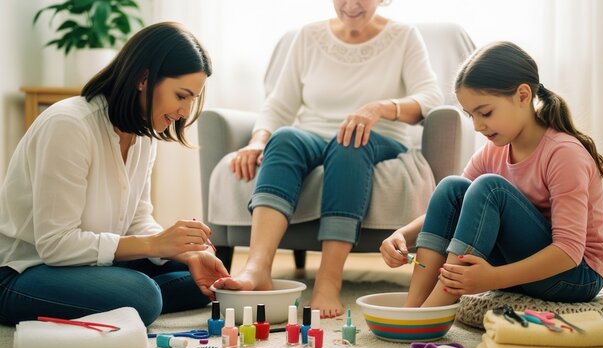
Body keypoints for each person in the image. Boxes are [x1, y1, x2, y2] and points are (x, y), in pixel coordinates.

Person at [213, 0, 443, 318]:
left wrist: (379, 108)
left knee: (348, 141)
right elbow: (280, 104)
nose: (350, 4)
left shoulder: (404, 36)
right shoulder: (309, 36)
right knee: (285, 138)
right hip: (314, 135)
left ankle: (328, 281)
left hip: (379, 139)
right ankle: (257, 268)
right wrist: (257, 139)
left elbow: (430, 97)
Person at [0, 22, 229, 326]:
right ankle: (129, 295)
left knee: (204, 277)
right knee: (144, 296)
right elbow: (55, 244)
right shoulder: (69, 125)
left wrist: (185, 253)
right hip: (25, 271)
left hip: (84, 265)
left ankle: (118, 294)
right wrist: (157, 245)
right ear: (143, 79)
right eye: (181, 96)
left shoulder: (145, 134)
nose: (185, 112)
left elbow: (137, 220)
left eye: (192, 99)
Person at [380, 41, 603, 307]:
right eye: (471, 116)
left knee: (490, 187)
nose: (479, 126)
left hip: (575, 275)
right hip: (519, 266)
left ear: (523, 95)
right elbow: (451, 206)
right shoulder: (493, 151)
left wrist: (493, 278)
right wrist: (401, 235)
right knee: (452, 187)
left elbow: (569, 251)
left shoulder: (564, 153)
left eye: (486, 112)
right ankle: (415, 305)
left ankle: (434, 308)